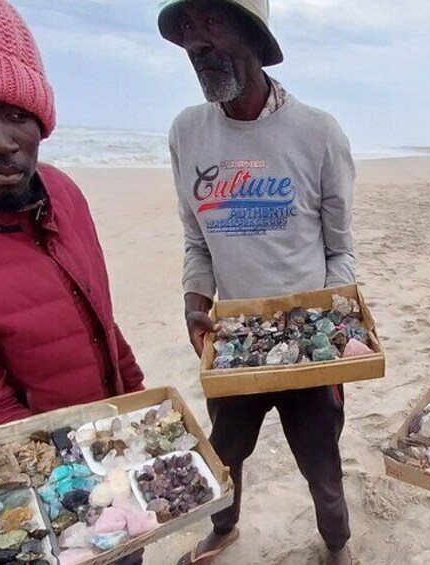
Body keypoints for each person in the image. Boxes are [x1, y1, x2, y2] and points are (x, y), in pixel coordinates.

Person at [158, 0, 357, 563]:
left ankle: (336, 544)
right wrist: (195, 304)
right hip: (232, 342)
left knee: (322, 462)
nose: (197, 42)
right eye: (189, 30)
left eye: (212, 22)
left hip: (308, 346)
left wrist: (327, 323)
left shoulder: (317, 132)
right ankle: (224, 529)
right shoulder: (187, 132)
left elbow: (340, 250)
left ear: (253, 35)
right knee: (224, 455)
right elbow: (197, 243)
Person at [0, 0, 145, 437]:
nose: (0, 141)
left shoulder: (64, 194)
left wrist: (138, 405)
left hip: (110, 428)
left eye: (18, 115)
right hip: (43, 462)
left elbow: (102, 321)